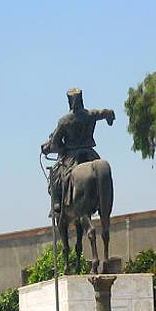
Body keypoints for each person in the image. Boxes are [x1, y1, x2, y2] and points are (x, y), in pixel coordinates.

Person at [41, 88, 116, 217]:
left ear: (69, 101)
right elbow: (107, 113)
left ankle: (57, 204)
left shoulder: (64, 121)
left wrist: (55, 148)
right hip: (91, 154)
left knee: (55, 178)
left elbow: (55, 144)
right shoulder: (91, 114)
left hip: (72, 157)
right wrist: (110, 118)